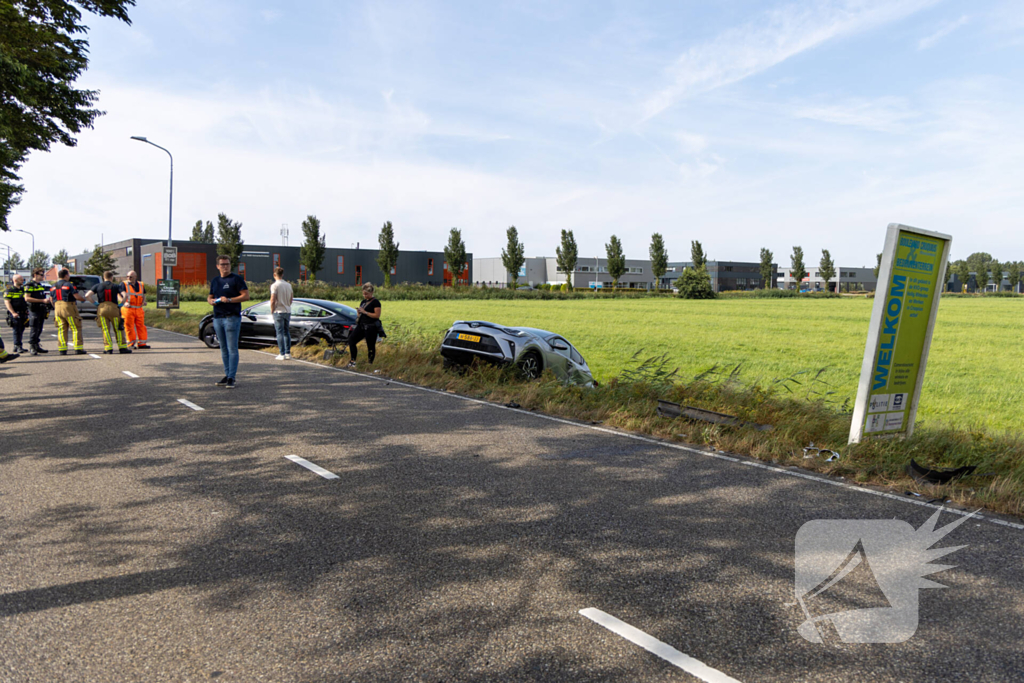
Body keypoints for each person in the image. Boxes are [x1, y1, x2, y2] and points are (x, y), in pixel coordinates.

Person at [207, 255, 249, 388]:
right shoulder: (215, 281)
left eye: (227, 264)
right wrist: (211, 301)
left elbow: (246, 296)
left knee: (232, 348)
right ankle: (227, 374)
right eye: (223, 264)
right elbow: (210, 296)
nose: (225, 266)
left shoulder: (236, 279)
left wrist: (230, 300)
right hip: (218, 317)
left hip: (232, 317)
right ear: (217, 266)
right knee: (223, 348)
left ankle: (232, 377)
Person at [89, 271, 131, 354]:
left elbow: (87, 295)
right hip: (114, 309)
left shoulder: (98, 286)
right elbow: (125, 295)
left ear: (103, 277)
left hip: (102, 309)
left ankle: (108, 348)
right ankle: (122, 348)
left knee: (105, 329)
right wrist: (121, 304)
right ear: (112, 277)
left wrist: (94, 303)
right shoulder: (116, 286)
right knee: (118, 328)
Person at [51, 268, 86, 355]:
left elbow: (51, 299)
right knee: (75, 327)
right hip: (68, 307)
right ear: (66, 275)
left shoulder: (53, 286)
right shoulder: (69, 284)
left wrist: (55, 306)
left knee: (61, 328)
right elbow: (77, 296)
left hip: (57, 307)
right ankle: (78, 348)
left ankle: (62, 349)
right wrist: (83, 299)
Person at [347, 282, 381, 368]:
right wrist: (359, 312)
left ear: (371, 292)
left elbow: (376, 315)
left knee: (370, 346)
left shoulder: (376, 302)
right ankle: (353, 360)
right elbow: (360, 315)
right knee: (351, 340)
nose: (365, 296)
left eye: (366, 294)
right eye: (363, 294)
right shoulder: (363, 302)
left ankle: (370, 363)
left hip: (371, 327)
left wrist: (365, 312)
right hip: (361, 325)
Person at [24, 268, 50, 355]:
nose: (43, 276)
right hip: (34, 309)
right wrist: (42, 301)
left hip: (41, 309)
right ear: (35, 275)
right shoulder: (30, 285)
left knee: (39, 328)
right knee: (34, 328)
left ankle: (37, 345)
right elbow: (27, 298)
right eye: (41, 275)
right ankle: (32, 346)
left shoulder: (39, 285)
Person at [270, 266, 294, 360]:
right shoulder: (288, 285)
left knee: (279, 332)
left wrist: (272, 310)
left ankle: (281, 353)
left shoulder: (274, 285)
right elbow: (291, 298)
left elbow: (273, 299)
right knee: (286, 332)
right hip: (287, 310)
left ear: (274, 275)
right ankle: (288, 353)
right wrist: (288, 305)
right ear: (282, 275)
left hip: (278, 310)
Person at [121, 271, 149, 349]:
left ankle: (142, 343)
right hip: (128, 309)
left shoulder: (141, 284)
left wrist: (144, 301)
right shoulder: (123, 284)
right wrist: (123, 303)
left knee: (141, 326)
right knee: (129, 326)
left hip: (139, 309)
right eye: (127, 276)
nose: (128, 278)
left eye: (130, 277)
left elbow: (143, 294)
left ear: (135, 277)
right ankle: (130, 343)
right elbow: (119, 295)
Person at [4, 274, 29, 353]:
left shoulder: (22, 290)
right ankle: (17, 346)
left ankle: (19, 345)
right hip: (15, 313)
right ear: (15, 280)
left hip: (23, 313)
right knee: (16, 330)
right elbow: (7, 302)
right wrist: (13, 312)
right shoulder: (9, 291)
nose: (23, 280)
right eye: (21, 279)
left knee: (21, 329)